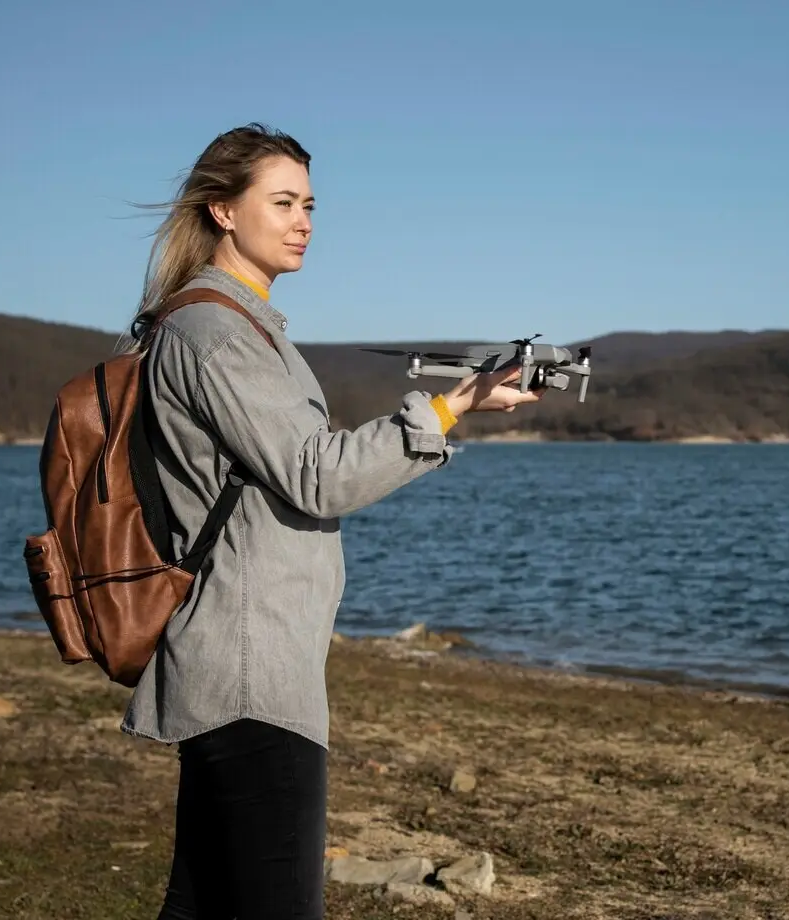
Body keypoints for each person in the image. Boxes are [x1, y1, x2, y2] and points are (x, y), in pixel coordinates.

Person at [119, 122, 542, 919]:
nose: (304, 220)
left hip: (245, 663)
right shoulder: (214, 335)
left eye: (309, 203)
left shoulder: (233, 328)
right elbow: (317, 477)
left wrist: (469, 401)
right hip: (252, 676)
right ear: (222, 212)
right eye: (281, 202)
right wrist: (448, 410)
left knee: (204, 907)